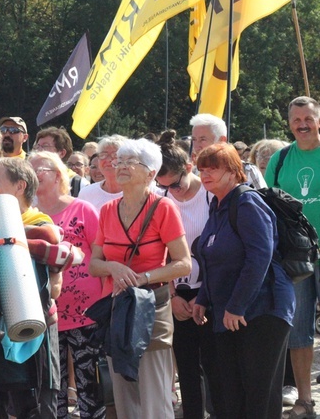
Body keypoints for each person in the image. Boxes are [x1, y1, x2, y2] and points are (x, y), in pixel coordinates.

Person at [89, 138, 191, 419]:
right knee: (125, 399)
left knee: (155, 396)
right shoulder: (108, 210)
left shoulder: (164, 208)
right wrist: (114, 268)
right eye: (119, 161)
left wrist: (143, 277)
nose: (120, 166)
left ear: (150, 173)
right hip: (116, 309)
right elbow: (93, 264)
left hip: (152, 309)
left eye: (129, 162)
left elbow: (184, 263)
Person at [193, 143, 295, 419]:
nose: (205, 175)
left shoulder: (247, 202)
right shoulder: (217, 204)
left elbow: (259, 258)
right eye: (202, 169)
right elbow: (212, 257)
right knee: (233, 392)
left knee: (259, 395)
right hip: (231, 312)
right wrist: (202, 300)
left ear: (233, 171)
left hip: (263, 310)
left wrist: (236, 306)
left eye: (213, 168)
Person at [0, 156, 63, 419]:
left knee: (36, 409)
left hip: (34, 334)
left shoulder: (43, 227)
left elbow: (55, 289)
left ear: (20, 186)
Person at [155, 130, 225, 419]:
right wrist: (171, 295)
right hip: (178, 294)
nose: (175, 191)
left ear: (188, 167)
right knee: (186, 367)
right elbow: (158, 252)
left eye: (177, 184)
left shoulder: (212, 195)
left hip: (213, 291)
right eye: (166, 187)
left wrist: (204, 297)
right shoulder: (161, 199)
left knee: (216, 366)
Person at [28, 151, 103, 419]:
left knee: (89, 385)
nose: (31, 173)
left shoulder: (83, 209)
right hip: (47, 314)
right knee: (52, 387)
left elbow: (101, 255)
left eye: (38, 169)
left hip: (87, 312)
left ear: (58, 174)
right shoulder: (28, 215)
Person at [264, 96, 320, 419]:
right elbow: (268, 206)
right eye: (296, 120)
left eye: (308, 119)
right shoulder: (281, 159)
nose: (302, 124)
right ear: (289, 124)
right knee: (299, 332)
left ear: (317, 120)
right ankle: (305, 400)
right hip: (295, 260)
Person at [189, 113, 266, 189]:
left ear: (222, 140)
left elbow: (262, 200)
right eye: (194, 139)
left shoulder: (247, 170)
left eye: (203, 139)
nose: (196, 146)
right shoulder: (193, 172)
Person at [33, 127, 88, 197]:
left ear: (62, 153)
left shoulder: (79, 184)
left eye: (45, 146)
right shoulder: (32, 181)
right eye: (38, 146)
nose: (39, 151)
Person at [77, 135, 127, 211]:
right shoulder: (86, 193)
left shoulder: (140, 192)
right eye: (103, 155)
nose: (109, 159)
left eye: (115, 155)